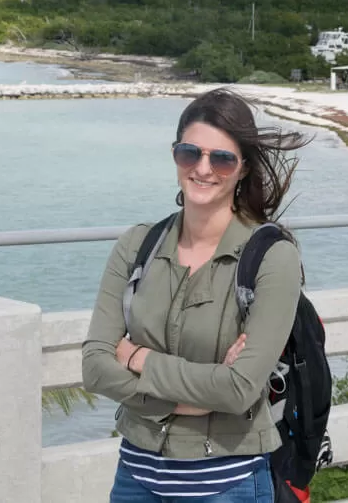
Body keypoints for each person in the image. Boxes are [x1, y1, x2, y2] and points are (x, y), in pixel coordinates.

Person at [83, 88, 311, 502]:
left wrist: (138, 358)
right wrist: (190, 402)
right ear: (175, 156)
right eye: (190, 153)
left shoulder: (272, 257)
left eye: (221, 158)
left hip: (229, 485)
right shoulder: (137, 245)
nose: (203, 169)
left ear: (242, 168)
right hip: (136, 477)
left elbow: (238, 389)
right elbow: (95, 366)